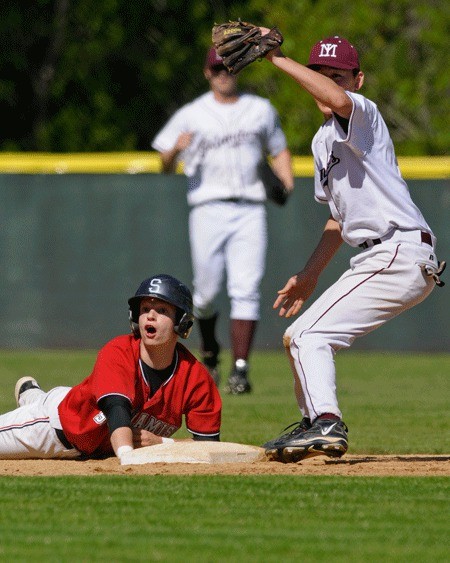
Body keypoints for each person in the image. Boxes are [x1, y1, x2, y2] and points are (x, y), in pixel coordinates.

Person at [259, 34, 445, 461]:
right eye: (320, 75)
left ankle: (327, 420)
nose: (327, 84)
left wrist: (279, 59)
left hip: (398, 249)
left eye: (338, 76)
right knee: (297, 337)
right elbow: (337, 219)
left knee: (310, 335)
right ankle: (314, 426)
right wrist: (309, 275)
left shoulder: (363, 113)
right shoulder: (322, 142)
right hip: (380, 254)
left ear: (357, 80)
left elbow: (339, 103)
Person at [152, 48, 294, 394]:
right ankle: (211, 351)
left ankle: (240, 370)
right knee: (206, 293)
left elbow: (279, 148)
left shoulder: (259, 109)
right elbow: (164, 164)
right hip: (208, 208)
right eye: (217, 69)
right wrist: (174, 151)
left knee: (246, 288)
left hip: (250, 208)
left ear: (238, 70)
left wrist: (286, 179)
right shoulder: (192, 114)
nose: (223, 74)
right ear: (206, 73)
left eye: (228, 68)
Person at [0, 274, 221, 461]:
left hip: (86, 412)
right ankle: (36, 399)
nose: (150, 315)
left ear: (181, 322)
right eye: (145, 308)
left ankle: (32, 394)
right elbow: (117, 412)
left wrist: (164, 443)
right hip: (55, 428)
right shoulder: (118, 352)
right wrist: (128, 457)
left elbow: (208, 444)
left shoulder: (195, 376)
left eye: (162, 309)